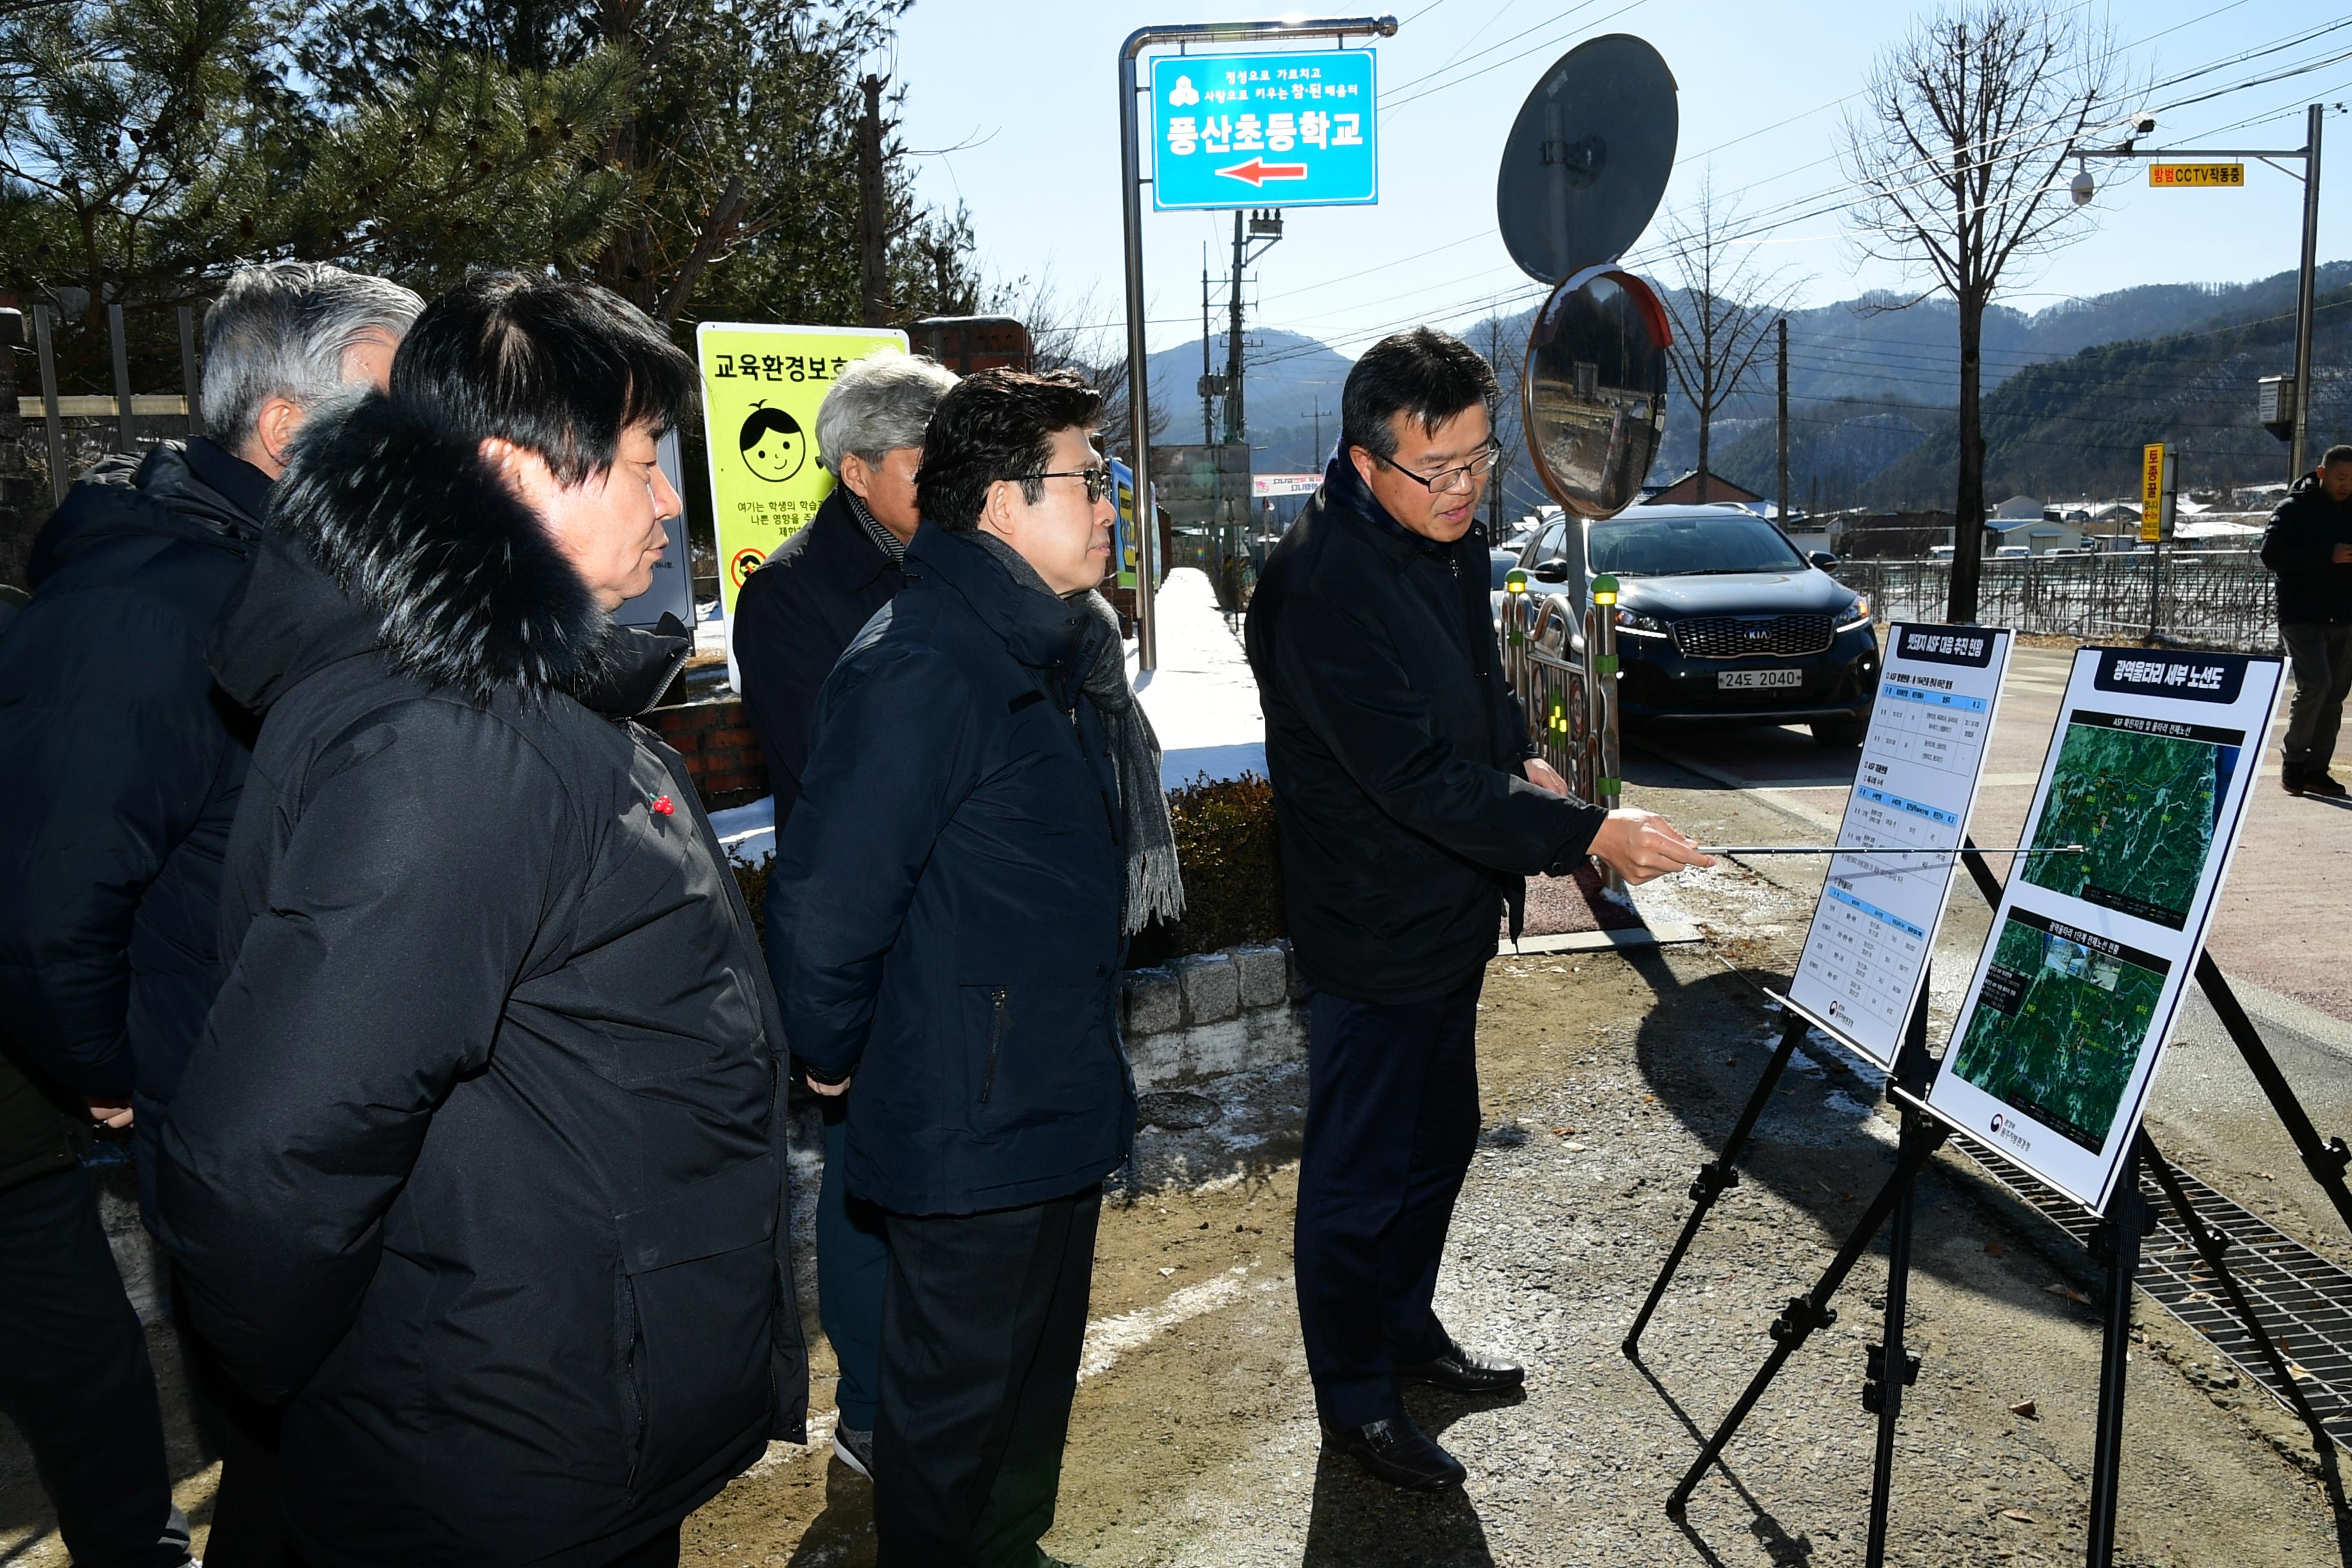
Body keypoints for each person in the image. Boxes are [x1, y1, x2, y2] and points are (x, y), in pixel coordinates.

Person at [149, 273, 805, 1568]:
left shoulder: (489, 703)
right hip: (496, 1452)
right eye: (638, 462)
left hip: (534, 1413)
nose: (670, 500)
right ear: (515, 474)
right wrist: (327, 1385)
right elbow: (270, 1157)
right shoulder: (458, 743)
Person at [0, 259, 422, 1565]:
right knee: (302, 1453)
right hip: (234, 1111)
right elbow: (46, 901)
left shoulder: (313, 577)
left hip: (336, 1095)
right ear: (289, 432)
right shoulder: (143, 608)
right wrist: (116, 1074)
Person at [1244, 326, 1712, 1493]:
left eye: (1478, 462)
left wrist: (1528, 763)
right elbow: (1408, 777)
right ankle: (1354, 1401)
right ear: (1361, 463)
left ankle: (1406, 1332)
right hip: (1369, 922)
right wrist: (1585, 833)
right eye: (1435, 469)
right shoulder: (1316, 587)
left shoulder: (1443, 541)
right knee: (1357, 1174)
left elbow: (1479, 688)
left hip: (1448, 906)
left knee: (1435, 1141)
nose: (1462, 491)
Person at [774, 368, 1180, 1567]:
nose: (1110, 503)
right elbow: (823, 903)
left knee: (1028, 1397)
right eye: (1088, 478)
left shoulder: (1043, 644)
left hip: (1042, 1096)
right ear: (1003, 501)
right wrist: (837, 1062)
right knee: (951, 1426)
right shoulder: (924, 660)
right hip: (971, 1115)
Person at [732, 349, 956, 1482]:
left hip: (958, 930)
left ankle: (938, 1386)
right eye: (931, 458)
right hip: (867, 939)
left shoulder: (960, 566)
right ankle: (867, 1406)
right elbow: (836, 781)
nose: (955, 478)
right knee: (866, 1178)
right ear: (859, 470)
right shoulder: (788, 594)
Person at [2260, 443, 2352, 797]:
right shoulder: (2294, 508)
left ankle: (2317, 771)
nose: (2346, 485)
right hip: (2302, 615)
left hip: (2344, 616)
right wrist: (2327, 556)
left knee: (2335, 696)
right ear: (2322, 473)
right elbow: (2272, 556)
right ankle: (2294, 763)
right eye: (2340, 477)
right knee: (2316, 685)